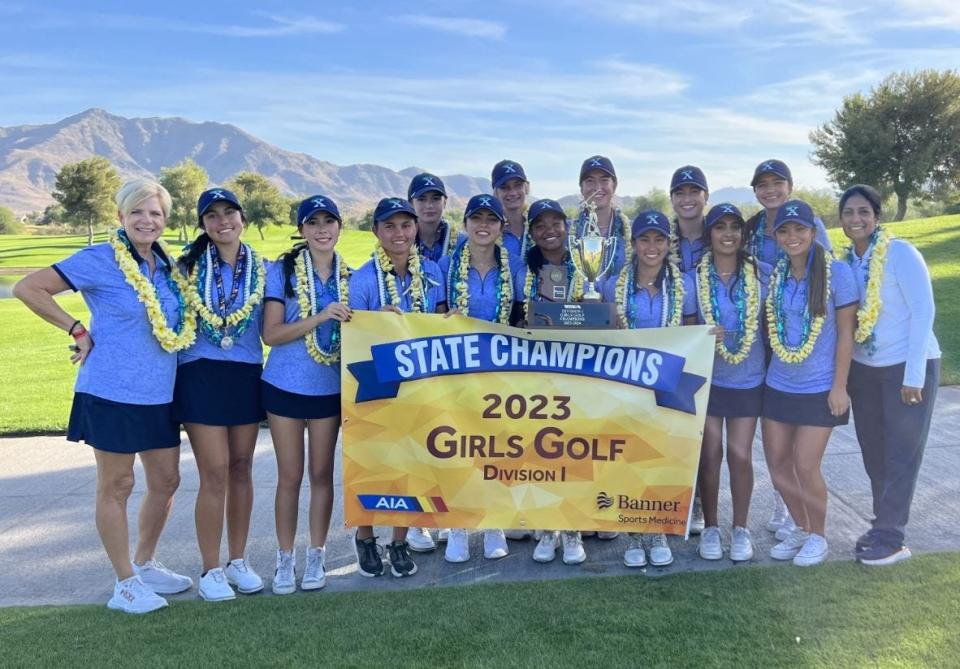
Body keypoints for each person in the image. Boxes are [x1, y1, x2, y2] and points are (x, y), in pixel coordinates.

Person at [13, 179, 196, 614]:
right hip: (111, 390)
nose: (146, 220)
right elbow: (28, 288)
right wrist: (77, 329)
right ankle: (125, 583)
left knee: (167, 480)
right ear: (121, 217)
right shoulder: (99, 259)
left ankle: (145, 563)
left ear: (165, 220)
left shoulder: (169, 267)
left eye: (155, 213)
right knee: (117, 484)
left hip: (160, 393)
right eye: (137, 212)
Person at [840, 185, 941, 565]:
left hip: (908, 367)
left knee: (901, 455)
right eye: (848, 213)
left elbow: (923, 312)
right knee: (874, 453)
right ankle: (883, 523)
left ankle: (893, 537)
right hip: (866, 372)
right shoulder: (848, 262)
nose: (856, 219)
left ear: (877, 216)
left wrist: (913, 375)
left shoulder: (900, 253)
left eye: (863, 211)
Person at [175, 188, 266, 601]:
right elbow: (149, 309)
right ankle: (211, 568)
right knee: (214, 472)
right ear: (203, 224)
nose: (222, 221)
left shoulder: (264, 269)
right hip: (201, 374)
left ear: (242, 217)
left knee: (242, 467)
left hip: (245, 373)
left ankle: (238, 559)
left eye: (229, 212)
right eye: (211, 215)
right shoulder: (185, 268)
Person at [348, 197, 447, 578]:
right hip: (377, 383)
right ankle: (366, 534)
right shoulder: (362, 279)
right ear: (376, 232)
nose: (399, 233)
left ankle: (400, 539)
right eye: (389, 226)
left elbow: (438, 321)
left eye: (405, 225)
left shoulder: (434, 272)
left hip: (421, 384)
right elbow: (354, 335)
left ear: (415, 229)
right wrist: (378, 324)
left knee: (413, 461)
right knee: (373, 460)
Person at [260, 195, 351, 594]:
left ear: (339, 227)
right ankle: (284, 558)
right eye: (312, 222)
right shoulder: (283, 271)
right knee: (290, 476)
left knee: (321, 475)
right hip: (284, 386)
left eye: (328, 221)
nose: (321, 229)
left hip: (329, 390)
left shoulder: (353, 275)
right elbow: (272, 334)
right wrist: (320, 315)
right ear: (301, 230)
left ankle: (316, 554)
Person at [762, 199, 857, 567]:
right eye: (784, 231)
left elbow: (846, 334)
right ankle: (801, 527)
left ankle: (819, 535)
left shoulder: (838, 274)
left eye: (799, 229)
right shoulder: (777, 274)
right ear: (776, 237)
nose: (792, 237)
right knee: (777, 465)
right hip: (779, 383)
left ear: (813, 233)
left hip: (819, 387)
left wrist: (840, 385)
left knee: (805, 465)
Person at [602, 210, 698, 569]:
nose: (652, 246)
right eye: (645, 239)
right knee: (629, 458)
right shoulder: (614, 285)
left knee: (662, 457)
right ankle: (631, 531)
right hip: (626, 384)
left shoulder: (684, 285)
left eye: (659, 239)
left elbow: (691, 331)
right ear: (634, 244)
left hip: (668, 385)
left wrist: (707, 336)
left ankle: (657, 530)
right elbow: (605, 333)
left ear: (669, 244)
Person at [744, 159, 833, 537]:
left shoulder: (816, 229)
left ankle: (793, 514)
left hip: (801, 335)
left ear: (790, 186)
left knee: (802, 453)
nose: (770, 191)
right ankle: (793, 511)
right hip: (762, 333)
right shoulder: (750, 229)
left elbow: (824, 276)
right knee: (778, 448)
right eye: (762, 185)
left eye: (777, 183)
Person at [691, 204, 772, 562]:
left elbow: (774, 326)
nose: (727, 234)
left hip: (748, 379)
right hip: (708, 380)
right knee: (709, 456)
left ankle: (740, 528)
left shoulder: (763, 275)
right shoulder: (692, 278)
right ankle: (710, 527)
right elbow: (684, 327)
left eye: (734, 227)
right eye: (719, 227)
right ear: (708, 235)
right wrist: (702, 334)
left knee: (740, 454)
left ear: (743, 233)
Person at [438, 194, 515, 562]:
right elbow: (430, 319)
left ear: (501, 227)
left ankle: (492, 523)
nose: (483, 225)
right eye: (476, 218)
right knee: (458, 448)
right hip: (456, 373)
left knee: (496, 449)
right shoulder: (444, 267)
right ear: (465, 224)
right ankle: (457, 525)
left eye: (491, 219)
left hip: (501, 374)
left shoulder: (513, 266)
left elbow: (522, 317)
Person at [510, 198, 587, 564]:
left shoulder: (586, 264)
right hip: (535, 373)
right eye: (540, 225)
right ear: (531, 231)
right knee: (539, 450)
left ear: (567, 227)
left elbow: (600, 315)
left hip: (578, 370)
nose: (549, 230)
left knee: (573, 450)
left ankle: (571, 529)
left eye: (556, 222)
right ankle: (545, 527)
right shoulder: (520, 267)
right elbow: (511, 317)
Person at [669, 164, 710, 535]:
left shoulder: (723, 233)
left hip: (710, 347)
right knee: (674, 430)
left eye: (693, 191)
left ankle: (698, 506)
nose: (686, 198)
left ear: (704, 197)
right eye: (679, 193)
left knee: (704, 435)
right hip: (672, 345)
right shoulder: (659, 238)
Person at [573, 155, 630, 282]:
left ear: (614, 186)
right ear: (581, 188)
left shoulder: (631, 232)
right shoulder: (568, 231)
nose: (598, 188)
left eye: (604, 180)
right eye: (590, 181)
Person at [408, 172, 458, 263]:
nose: (429, 205)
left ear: (445, 202)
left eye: (435, 198)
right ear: (411, 204)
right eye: (421, 199)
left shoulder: (460, 242)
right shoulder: (402, 241)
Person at [491, 159, 532, 264]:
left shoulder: (539, 225)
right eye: (505, 187)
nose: (513, 193)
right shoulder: (489, 231)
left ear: (526, 188)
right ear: (495, 193)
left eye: (518, 185)